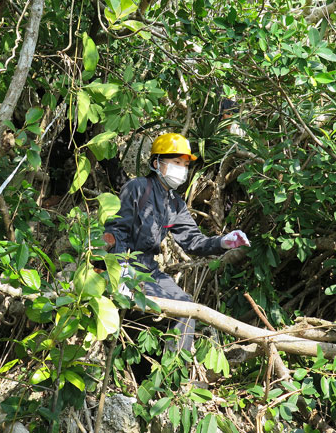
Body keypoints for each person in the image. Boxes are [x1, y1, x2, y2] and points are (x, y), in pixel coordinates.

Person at [104, 133, 250, 352]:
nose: (181, 169)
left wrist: (223, 242)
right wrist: (121, 271)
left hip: (149, 270)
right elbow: (115, 230)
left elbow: (193, 242)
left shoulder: (175, 203)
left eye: (184, 164)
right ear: (156, 163)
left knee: (185, 306)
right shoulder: (137, 187)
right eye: (175, 163)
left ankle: (174, 373)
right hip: (124, 265)